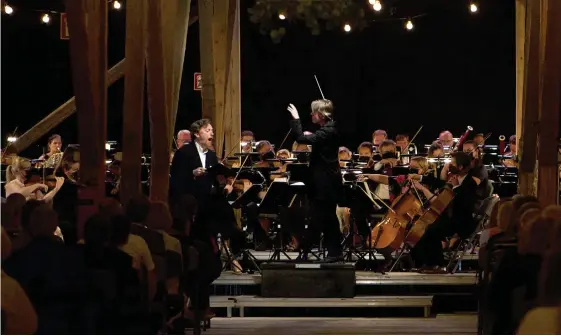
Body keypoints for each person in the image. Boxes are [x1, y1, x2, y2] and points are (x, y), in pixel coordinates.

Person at [287, 99, 342, 262]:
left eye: (313, 112)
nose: (311, 114)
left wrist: (295, 118)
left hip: (326, 183)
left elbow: (300, 138)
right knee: (325, 218)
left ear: (321, 114)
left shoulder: (328, 131)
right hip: (325, 183)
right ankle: (331, 252)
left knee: (320, 218)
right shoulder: (328, 129)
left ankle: (308, 252)